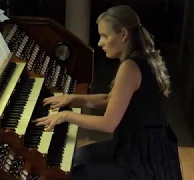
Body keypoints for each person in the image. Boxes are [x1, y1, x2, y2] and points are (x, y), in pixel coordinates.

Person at [33, 5, 183, 180]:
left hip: (143, 159)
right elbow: (110, 99)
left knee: (77, 174)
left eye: (104, 36)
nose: (99, 43)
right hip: (144, 146)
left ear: (124, 34)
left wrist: (65, 116)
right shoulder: (138, 58)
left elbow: (108, 124)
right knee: (79, 157)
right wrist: (72, 98)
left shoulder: (130, 67)